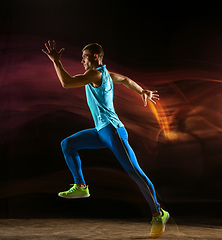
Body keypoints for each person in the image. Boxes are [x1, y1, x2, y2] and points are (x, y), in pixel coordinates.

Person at [42, 40, 169, 238]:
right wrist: (141, 91)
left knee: (135, 172)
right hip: (101, 132)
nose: (81, 60)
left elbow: (66, 83)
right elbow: (126, 80)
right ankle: (81, 186)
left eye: (84, 57)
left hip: (114, 131)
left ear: (95, 57)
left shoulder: (94, 74)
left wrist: (56, 62)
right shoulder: (107, 75)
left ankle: (158, 213)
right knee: (68, 144)